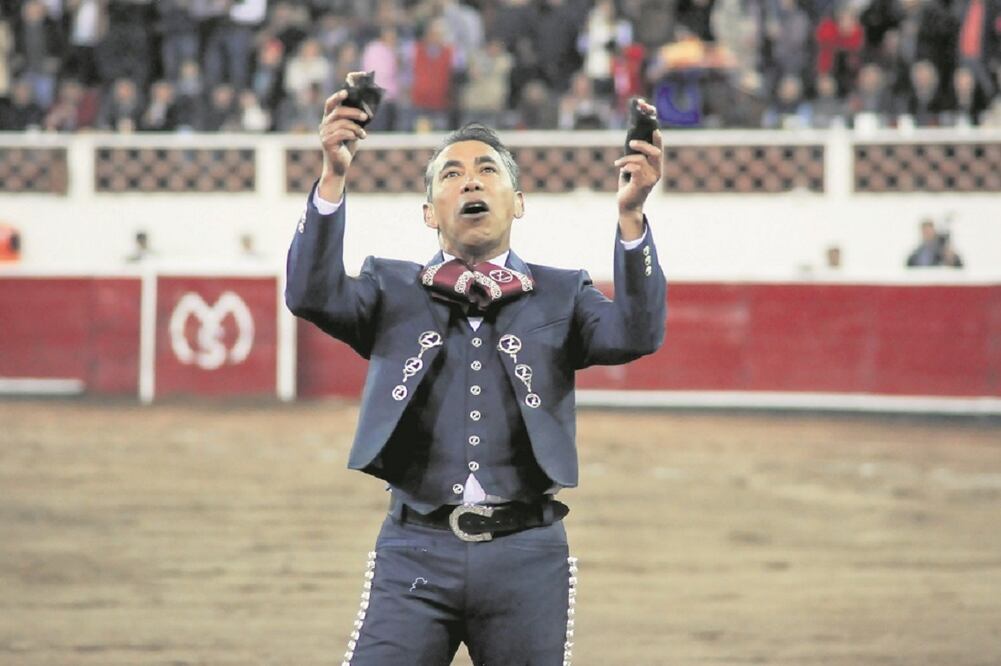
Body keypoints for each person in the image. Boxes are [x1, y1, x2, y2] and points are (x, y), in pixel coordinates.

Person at [285, 71, 666, 665]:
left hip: (528, 555)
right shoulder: (389, 287)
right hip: (415, 548)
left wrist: (633, 219)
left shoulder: (562, 293)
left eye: (488, 170)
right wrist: (332, 179)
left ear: (518, 202)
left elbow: (637, 333)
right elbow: (311, 294)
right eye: (452, 174)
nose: (471, 182)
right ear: (429, 213)